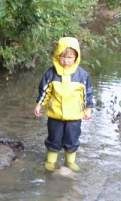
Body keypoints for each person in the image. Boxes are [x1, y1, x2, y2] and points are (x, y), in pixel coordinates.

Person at [34, 37, 94, 171]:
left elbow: (87, 93)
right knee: (54, 138)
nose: (66, 61)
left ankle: (70, 161)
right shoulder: (51, 73)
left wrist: (88, 109)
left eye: (70, 58)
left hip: (74, 116)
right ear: (57, 55)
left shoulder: (82, 75)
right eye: (62, 57)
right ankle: (51, 161)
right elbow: (45, 91)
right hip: (55, 115)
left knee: (72, 139)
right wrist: (39, 104)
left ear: (76, 57)